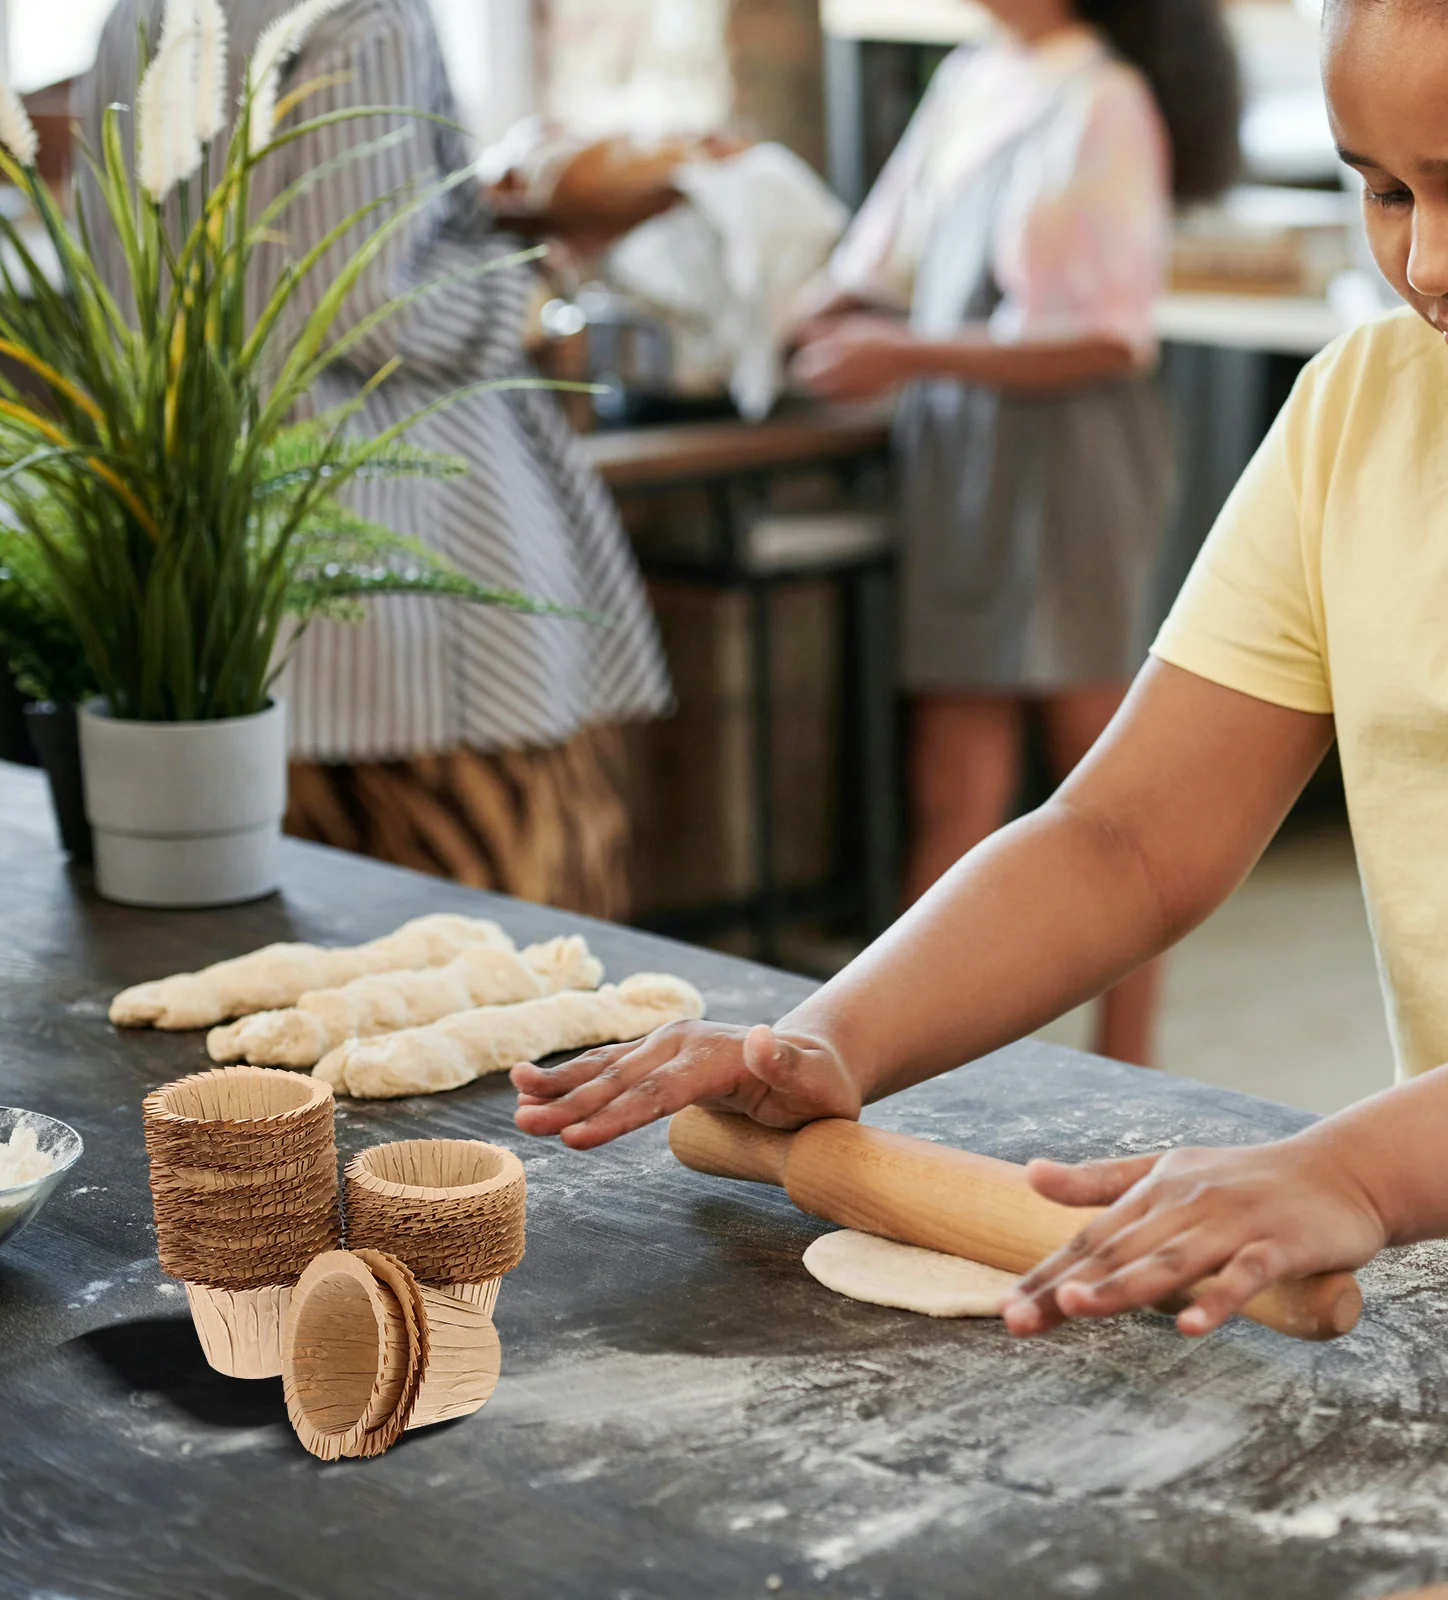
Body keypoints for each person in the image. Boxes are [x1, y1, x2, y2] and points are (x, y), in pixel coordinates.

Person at [513, 0, 1448, 1337]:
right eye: (1382, 190)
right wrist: (835, 1039)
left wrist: (1356, 1166)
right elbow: (1125, 835)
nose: (1425, 264)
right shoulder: (1360, 412)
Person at [77, 0, 670, 921]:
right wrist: (541, 284)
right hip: (413, 553)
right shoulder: (369, 14)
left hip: (212, 542)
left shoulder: (139, 14)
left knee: (281, 968)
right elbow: (366, 296)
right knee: (516, 956)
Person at [787, 0, 1239, 1065]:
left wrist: (900, 357)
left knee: (1112, 787)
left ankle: (1128, 1065)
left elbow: (1104, 339)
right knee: (952, 777)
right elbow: (875, 260)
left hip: (1071, 454)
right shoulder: (971, 78)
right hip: (962, 450)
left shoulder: (1105, 101)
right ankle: (898, 1057)